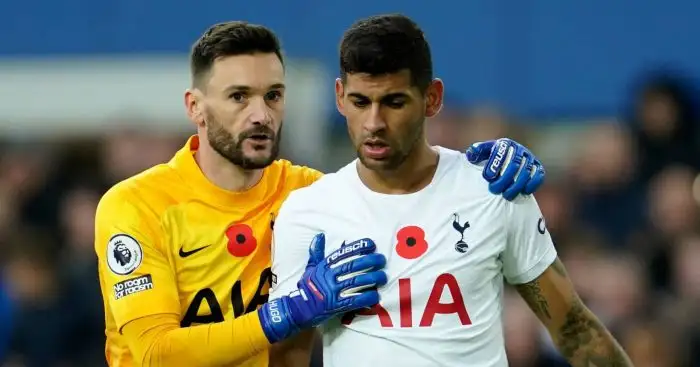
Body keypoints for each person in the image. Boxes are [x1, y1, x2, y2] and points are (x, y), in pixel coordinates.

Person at [95, 21, 546, 367]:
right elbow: (155, 352)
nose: (260, 115)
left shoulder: (309, 196)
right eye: (238, 97)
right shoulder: (137, 205)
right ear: (195, 106)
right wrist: (287, 313)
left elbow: (414, 199)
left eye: (273, 96)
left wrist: (489, 166)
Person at [268, 14, 633, 367]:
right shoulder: (307, 212)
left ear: (432, 98)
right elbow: (287, 356)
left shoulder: (495, 190)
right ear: (339, 96)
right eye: (361, 102)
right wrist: (301, 309)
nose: (374, 123)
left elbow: (572, 328)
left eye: (394, 102)